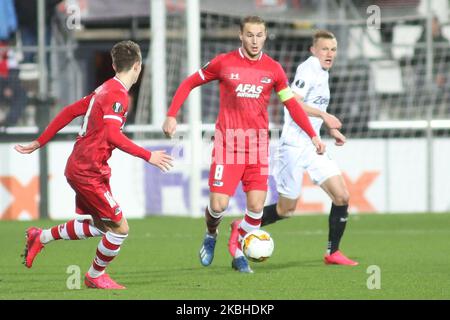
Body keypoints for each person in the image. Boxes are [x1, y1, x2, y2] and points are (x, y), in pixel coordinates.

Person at [162, 16, 326, 273]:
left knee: (256, 208)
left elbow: (292, 105)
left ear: (265, 36)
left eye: (260, 35)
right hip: (229, 145)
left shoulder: (273, 69)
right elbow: (189, 82)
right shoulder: (223, 63)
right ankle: (211, 233)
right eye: (250, 35)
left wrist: (313, 135)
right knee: (218, 206)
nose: (255, 40)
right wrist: (172, 114)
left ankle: (237, 250)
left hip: (258, 147)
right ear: (241, 35)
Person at [15, 40, 173, 289]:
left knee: (102, 226)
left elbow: (69, 111)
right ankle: (94, 276)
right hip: (87, 170)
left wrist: (40, 141)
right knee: (120, 228)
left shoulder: (105, 88)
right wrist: (148, 155)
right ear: (138, 66)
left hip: (85, 167)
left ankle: (40, 236)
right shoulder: (118, 95)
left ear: (113, 64)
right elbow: (112, 135)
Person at [228, 30, 359, 266]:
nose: (329, 53)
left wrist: (329, 128)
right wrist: (325, 115)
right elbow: (293, 102)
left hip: (313, 145)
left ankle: (333, 252)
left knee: (342, 196)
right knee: (286, 210)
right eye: (324, 49)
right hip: (293, 147)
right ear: (313, 50)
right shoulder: (308, 68)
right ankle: (243, 225)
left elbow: (313, 111)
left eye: (333, 49)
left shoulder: (323, 73)